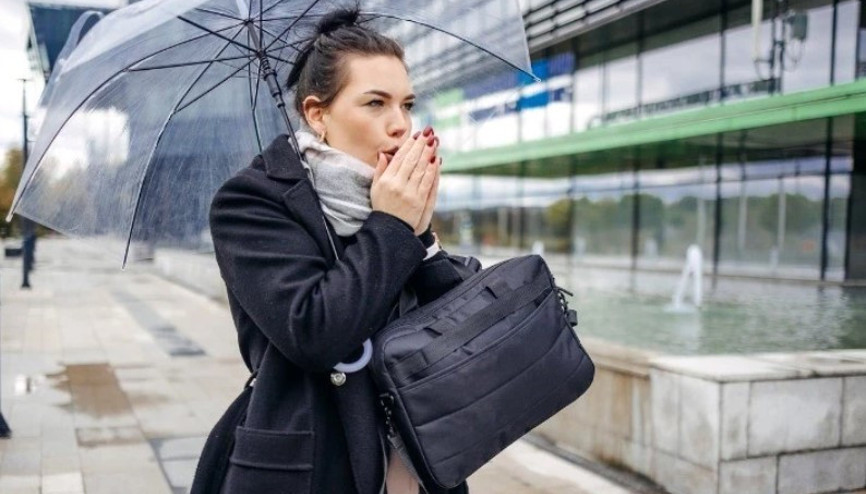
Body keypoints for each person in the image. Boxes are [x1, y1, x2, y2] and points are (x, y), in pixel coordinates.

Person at [191, 7, 480, 494]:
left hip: (421, 464)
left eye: (407, 105)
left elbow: (458, 327)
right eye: (375, 104)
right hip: (309, 466)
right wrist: (391, 227)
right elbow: (315, 332)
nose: (400, 125)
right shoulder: (252, 201)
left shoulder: (393, 199)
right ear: (316, 113)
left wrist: (423, 236)